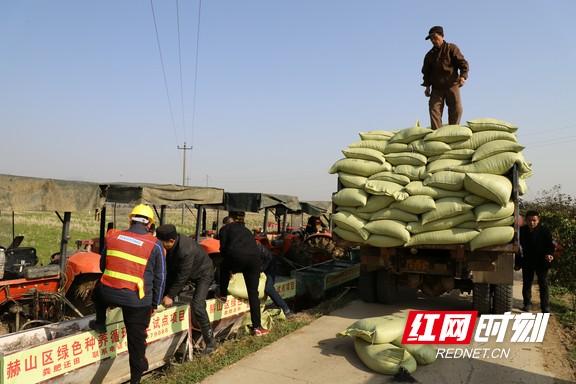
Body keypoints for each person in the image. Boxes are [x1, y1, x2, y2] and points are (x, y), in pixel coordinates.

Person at [90, 204, 166, 384]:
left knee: (97, 293)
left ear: (131, 219)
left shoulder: (114, 236)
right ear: (149, 224)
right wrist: (154, 304)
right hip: (137, 301)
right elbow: (160, 278)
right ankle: (136, 379)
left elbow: (102, 266)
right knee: (136, 342)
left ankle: (100, 323)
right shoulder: (155, 245)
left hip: (107, 293)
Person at [155, 224, 217, 354]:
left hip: (203, 273)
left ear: (171, 241)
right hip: (188, 272)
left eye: (162, 244)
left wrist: (170, 295)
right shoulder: (173, 245)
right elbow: (171, 273)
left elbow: (182, 276)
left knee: (197, 305)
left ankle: (210, 342)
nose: (161, 247)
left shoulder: (186, 250)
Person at [218, 216, 269, 336]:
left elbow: (223, 249)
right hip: (254, 260)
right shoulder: (244, 229)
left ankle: (223, 295)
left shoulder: (224, 229)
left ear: (225, 224)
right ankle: (257, 327)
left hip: (238, 257)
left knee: (223, 267)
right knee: (253, 294)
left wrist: (230, 268)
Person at [421, 25, 469, 130]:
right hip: (437, 88)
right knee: (434, 109)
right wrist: (427, 86)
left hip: (452, 84)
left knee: (457, 109)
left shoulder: (451, 48)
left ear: (442, 36)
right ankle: (438, 135)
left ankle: (453, 131)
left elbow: (463, 63)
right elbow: (426, 73)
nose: (433, 40)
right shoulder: (429, 55)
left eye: (435, 37)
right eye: (431, 39)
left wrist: (463, 76)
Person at [519, 210, 555, 313]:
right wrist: (518, 263)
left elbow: (550, 246)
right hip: (527, 261)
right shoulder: (522, 231)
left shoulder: (545, 231)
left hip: (541, 262)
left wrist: (550, 254)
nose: (532, 222)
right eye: (529, 220)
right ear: (526, 220)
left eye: (534, 220)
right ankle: (527, 304)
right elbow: (517, 248)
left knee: (543, 284)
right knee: (527, 283)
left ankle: (545, 307)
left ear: (538, 220)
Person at [256, 242, 295, 319]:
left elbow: (269, 258)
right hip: (258, 268)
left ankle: (286, 309)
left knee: (268, 288)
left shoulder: (257, 247)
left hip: (269, 267)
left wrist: (260, 270)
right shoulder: (237, 249)